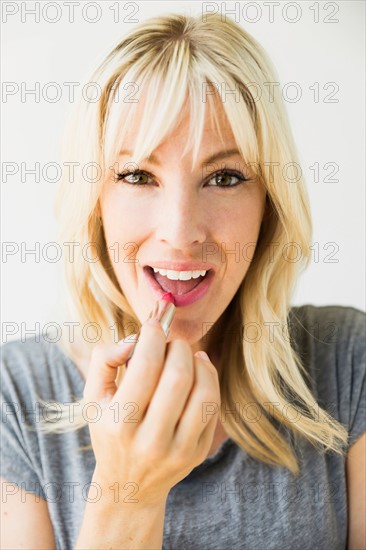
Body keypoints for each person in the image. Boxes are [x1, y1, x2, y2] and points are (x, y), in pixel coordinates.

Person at [1, 12, 365, 550]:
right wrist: (129, 496)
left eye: (224, 177)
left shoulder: (348, 362)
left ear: (269, 206)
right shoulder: (14, 395)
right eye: (137, 176)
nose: (181, 233)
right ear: (95, 204)